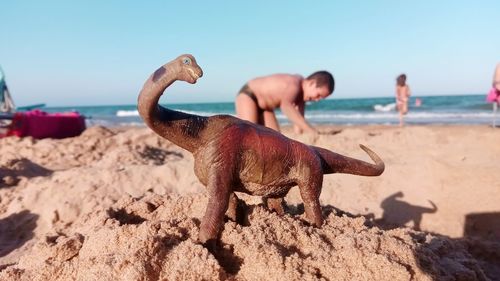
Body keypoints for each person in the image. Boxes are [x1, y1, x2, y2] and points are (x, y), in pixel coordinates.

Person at [235, 71, 334, 134]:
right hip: (249, 94)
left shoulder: (302, 98)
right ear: (311, 83)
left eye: (321, 98)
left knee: (275, 137)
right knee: (248, 133)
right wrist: (311, 131)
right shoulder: (295, 84)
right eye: (318, 95)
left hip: (265, 107)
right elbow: (286, 107)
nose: (317, 100)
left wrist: (304, 133)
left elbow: (299, 122)